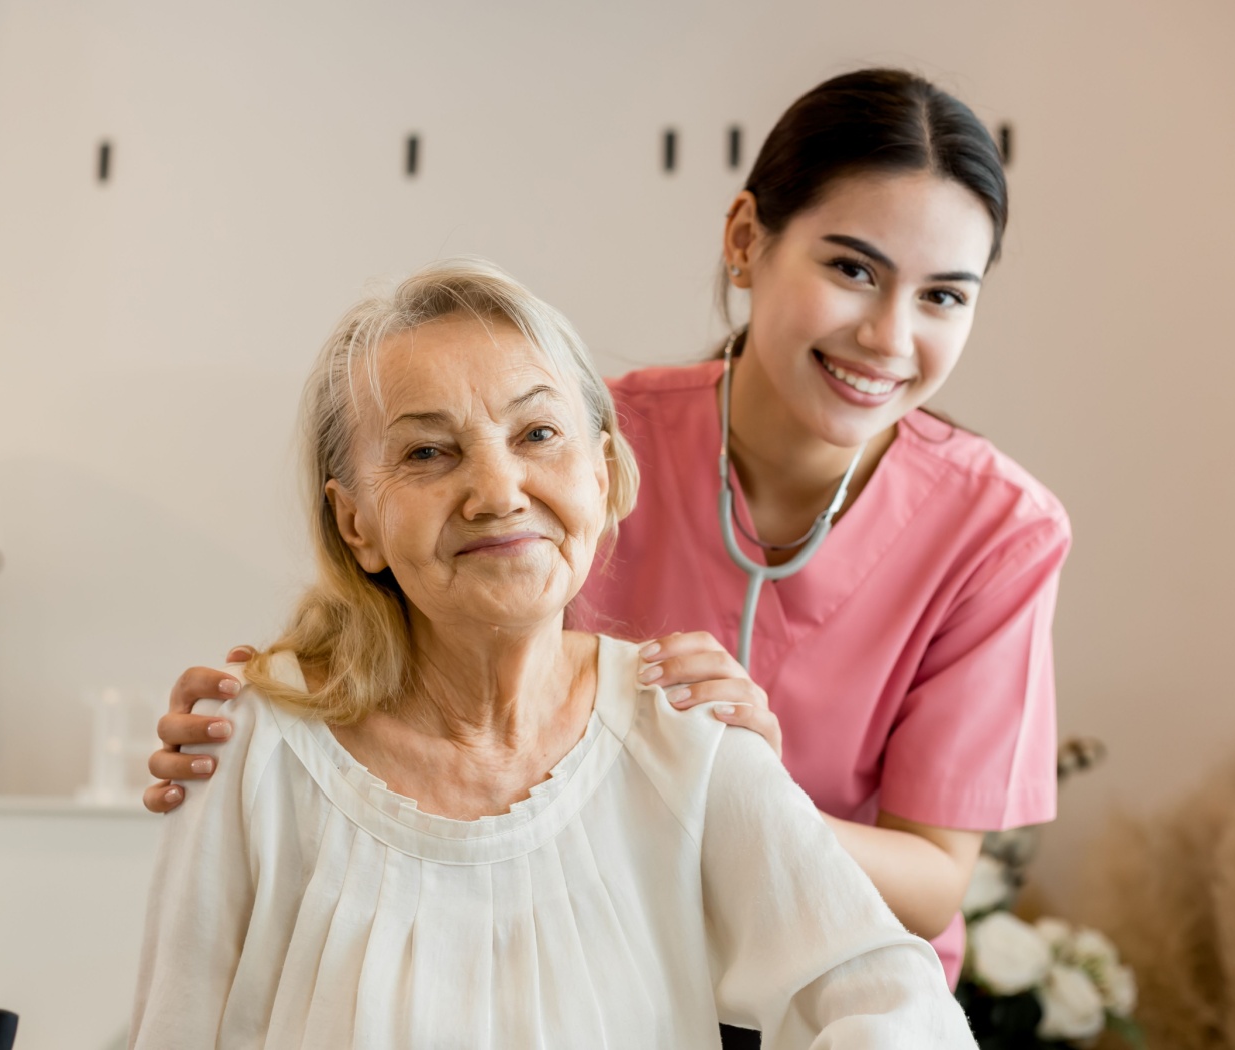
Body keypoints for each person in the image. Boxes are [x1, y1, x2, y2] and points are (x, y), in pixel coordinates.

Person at [146, 67, 1069, 998]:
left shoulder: (999, 531)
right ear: (746, 240)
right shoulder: (557, 453)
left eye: (943, 296)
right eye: (852, 269)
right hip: (581, 975)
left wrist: (723, 791)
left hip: (819, 998)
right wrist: (267, 719)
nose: (888, 335)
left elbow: (934, 880)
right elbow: (409, 632)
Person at [127, 260, 976, 1047]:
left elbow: (892, 997)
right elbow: (173, 1028)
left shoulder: (683, 728)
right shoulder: (251, 745)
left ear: (601, 477)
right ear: (357, 524)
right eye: (428, 452)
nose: (498, 492)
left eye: (537, 434)